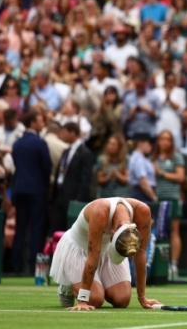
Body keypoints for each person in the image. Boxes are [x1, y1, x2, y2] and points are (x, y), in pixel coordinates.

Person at [50, 197, 162, 310]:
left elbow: (140, 255)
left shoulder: (143, 211)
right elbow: (92, 257)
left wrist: (142, 298)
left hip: (106, 250)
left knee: (122, 300)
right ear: (112, 233)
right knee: (95, 300)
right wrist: (82, 300)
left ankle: (97, 283)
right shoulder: (100, 211)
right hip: (81, 250)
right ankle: (68, 285)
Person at [11, 110, 52, 274]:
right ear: (33, 123)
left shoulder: (17, 143)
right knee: (36, 228)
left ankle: (16, 265)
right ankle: (33, 265)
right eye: (41, 121)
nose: (43, 124)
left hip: (19, 188)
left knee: (20, 227)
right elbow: (47, 167)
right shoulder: (40, 143)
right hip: (37, 190)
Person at [151, 130, 185, 280]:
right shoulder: (152, 158)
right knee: (157, 232)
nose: (165, 142)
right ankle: (158, 265)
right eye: (162, 139)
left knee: (174, 231)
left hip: (172, 198)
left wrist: (162, 173)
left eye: (168, 140)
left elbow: (180, 177)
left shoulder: (176, 157)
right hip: (156, 200)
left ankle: (174, 265)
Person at [51, 122, 93, 233]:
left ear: (73, 133)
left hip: (73, 197)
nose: (62, 135)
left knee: (70, 230)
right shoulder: (66, 151)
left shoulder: (85, 153)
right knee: (56, 228)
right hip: (60, 195)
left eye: (64, 132)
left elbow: (85, 178)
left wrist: (78, 199)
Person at [122, 73, 161, 140]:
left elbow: (159, 116)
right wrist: (130, 115)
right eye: (137, 86)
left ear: (146, 83)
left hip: (149, 133)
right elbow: (123, 120)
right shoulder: (128, 98)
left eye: (141, 86)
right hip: (133, 133)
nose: (139, 88)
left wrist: (150, 112)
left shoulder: (154, 97)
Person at [95, 134, 129, 198]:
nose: (110, 147)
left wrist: (116, 174)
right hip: (105, 197)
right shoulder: (101, 160)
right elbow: (99, 180)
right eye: (109, 144)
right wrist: (109, 177)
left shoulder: (126, 160)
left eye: (113, 145)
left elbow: (127, 179)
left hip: (121, 197)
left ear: (120, 146)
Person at [128, 134, 158, 202]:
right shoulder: (138, 159)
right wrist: (154, 198)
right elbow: (143, 183)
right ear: (140, 143)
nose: (151, 146)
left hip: (142, 194)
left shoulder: (141, 158)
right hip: (141, 194)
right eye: (149, 143)